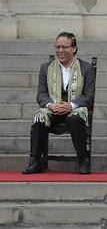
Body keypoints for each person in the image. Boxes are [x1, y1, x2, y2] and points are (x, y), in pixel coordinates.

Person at [23, 32, 95, 175]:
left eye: (64, 47)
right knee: (40, 117)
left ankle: (82, 160)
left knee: (76, 118)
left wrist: (71, 105)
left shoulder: (86, 68)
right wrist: (50, 105)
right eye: (57, 47)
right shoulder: (46, 68)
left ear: (74, 48)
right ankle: (35, 161)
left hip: (75, 108)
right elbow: (41, 95)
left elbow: (89, 96)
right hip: (53, 108)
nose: (60, 50)